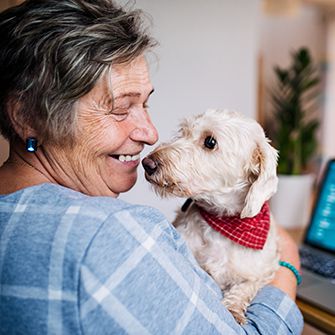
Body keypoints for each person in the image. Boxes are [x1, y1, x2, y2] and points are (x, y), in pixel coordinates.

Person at [0, 0, 303, 334]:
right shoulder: (114, 234)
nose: (152, 135)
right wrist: (288, 261)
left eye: (145, 104)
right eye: (119, 108)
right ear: (26, 116)